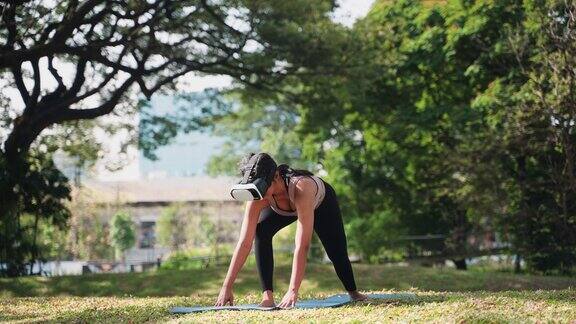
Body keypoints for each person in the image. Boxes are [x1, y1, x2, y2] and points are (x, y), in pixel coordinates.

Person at [214, 152, 367, 308]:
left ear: (275, 176)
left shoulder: (303, 187)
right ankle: (267, 296)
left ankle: (353, 292)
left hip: (321, 204)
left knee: (336, 251)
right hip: (283, 206)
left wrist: (293, 290)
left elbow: (302, 245)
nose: (258, 196)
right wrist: (226, 287)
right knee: (261, 231)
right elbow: (244, 243)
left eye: (261, 187)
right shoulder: (259, 195)